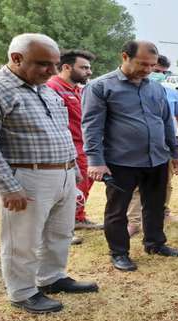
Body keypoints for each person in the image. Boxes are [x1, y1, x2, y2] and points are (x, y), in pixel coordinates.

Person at [0, 33, 98, 313]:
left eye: (55, 63)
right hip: (25, 177)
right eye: (43, 64)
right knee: (21, 240)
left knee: (60, 233)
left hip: (61, 174)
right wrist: (7, 186)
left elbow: (63, 132)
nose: (51, 71)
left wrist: (71, 170)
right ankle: (22, 291)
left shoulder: (45, 88)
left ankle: (52, 277)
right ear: (16, 58)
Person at [82, 40, 178, 273]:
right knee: (117, 210)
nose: (148, 70)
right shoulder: (100, 87)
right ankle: (119, 252)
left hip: (157, 159)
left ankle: (155, 244)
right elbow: (91, 127)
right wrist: (96, 161)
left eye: (152, 65)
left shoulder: (156, 89)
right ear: (124, 57)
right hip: (121, 161)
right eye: (143, 64)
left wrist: (175, 151)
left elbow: (166, 122)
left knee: (155, 205)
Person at [126, 55, 178, 236]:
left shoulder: (170, 92)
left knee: (164, 185)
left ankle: (163, 215)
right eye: (156, 71)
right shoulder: (130, 90)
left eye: (162, 72)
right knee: (138, 188)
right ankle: (134, 221)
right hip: (137, 148)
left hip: (164, 148)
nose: (159, 74)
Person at [46, 49, 100, 246]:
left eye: (89, 68)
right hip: (68, 149)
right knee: (69, 191)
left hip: (84, 147)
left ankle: (78, 218)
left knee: (83, 186)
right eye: (84, 67)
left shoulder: (76, 89)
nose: (89, 72)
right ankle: (62, 229)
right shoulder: (52, 88)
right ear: (66, 67)